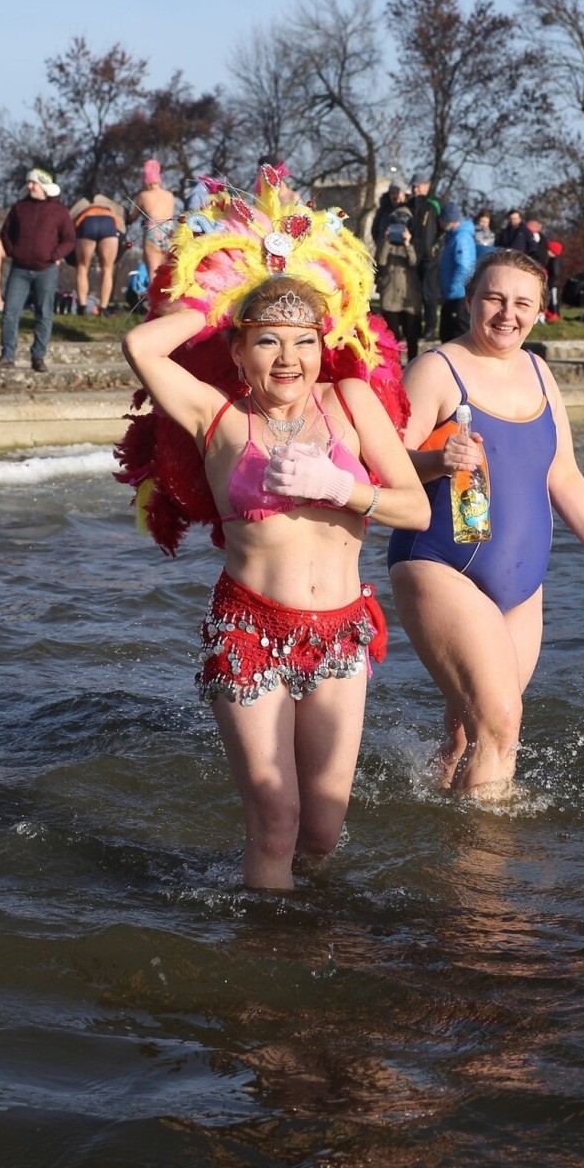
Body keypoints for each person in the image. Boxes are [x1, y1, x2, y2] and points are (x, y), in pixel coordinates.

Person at [117, 169, 430, 889]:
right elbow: (142, 348)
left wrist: (343, 488)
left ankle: (310, 947)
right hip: (249, 632)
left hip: (341, 633)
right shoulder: (216, 417)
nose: (288, 358)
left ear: (325, 345)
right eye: (266, 341)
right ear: (238, 350)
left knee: (322, 826)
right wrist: (216, 293)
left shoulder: (351, 400)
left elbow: (413, 506)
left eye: (303, 341)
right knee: (276, 816)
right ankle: (267, 964)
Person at [387, 248, 584, 796]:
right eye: (495, 299)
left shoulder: (539, 371)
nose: (508, 314)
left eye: (522, 303)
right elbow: (384, 464)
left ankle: (433, 830)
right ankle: (484, 872)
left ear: (540, 310)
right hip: (438, 564)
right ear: (471, 300)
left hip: (523, 585)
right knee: (501, 723)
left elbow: (564, 473)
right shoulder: (436, 368)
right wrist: (438, 459)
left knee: (469, 732)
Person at [0, 168, 76, 371]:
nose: (29, 186)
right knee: (10, 312)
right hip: (19, 269)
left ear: (43, 186)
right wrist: (12, 251)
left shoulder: (60, 211)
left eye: (33, 183)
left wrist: (54, 255)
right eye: (28, 182)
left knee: (44, 313)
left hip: (46, 271)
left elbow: (69, 239)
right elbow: (5, 232)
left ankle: (38, 357)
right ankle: (7, 355)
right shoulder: (19, 207)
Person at [376, 205, 422, 362]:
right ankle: (394, 367)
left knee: (411, 336)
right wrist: (387, 241)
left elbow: (415, 262)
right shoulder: (386, 242)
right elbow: (380, 261)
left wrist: (408, 243)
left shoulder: (415, 242)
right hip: (390, 295)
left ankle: (413, 365)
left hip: (408, 297)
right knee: (392, 338)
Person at [69, 194, 126, 314]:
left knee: (82, 268)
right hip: (108, 223)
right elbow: (122, 225)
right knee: (107, 269)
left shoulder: (81, 207)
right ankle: (103, 308)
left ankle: (82, 307)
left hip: (87, 222)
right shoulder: (111, 207)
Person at [127, 159, 175, 282]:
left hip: (152, 233)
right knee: (168, 275)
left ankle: (153, 301)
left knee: (153, 276)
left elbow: (133, 217)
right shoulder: (170, 195)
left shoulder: (143, 196)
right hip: (169, 232)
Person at [407, 171, 440, 340]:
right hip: (414, 255)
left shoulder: (433, 204)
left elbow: (441, 229)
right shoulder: (410, 204)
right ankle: (415, 327)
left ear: (426, 186)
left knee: (429, 294)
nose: (414, 190)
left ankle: (430, 327)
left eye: (417, 186)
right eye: (413, 186)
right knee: (415, 294)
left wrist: (435, 247)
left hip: (429, 258)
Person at [437, 202, 476, 343]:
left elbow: (464, 267)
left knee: (457, 335)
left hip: (458, 295)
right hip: (454, 294)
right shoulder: (454, 237)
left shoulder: (461, 238)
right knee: (447, 334)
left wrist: (451, 289)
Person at [371, 181, 407, 252]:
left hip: (403, 256)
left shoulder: (411, 211)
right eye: (392, 193)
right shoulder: (383, 211)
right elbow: (375, 231)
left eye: (398, 192)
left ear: (404, 194)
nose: (395, 196)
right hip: (383, 255)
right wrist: (381, 244)